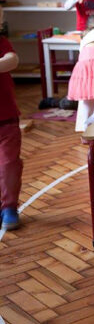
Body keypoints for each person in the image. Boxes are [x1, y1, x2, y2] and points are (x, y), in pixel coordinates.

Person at [0, 36, 23, 230]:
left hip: (7, 119)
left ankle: (9, 206)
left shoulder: (2, 41)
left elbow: (12, 59)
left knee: (9, 164)